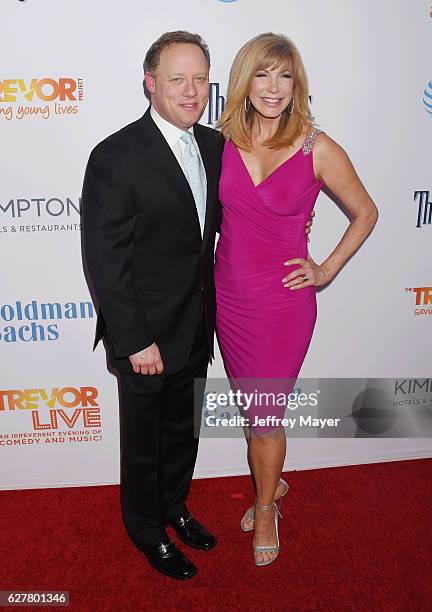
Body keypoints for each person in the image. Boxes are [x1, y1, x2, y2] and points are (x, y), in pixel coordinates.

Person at [215, 33, 378, 567]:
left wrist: (325, 269)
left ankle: (266, 507)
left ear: (297, 85)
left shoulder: (317, 146)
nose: (273, 88)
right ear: (245, 80)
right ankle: (273, 483)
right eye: (262, 75)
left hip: (282, 304)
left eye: (285, 76)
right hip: (229, 297)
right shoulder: (219, 140)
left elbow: (366, 212)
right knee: (252, 406)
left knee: (264, 414)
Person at [81, 31, 223, 581]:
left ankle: (173, 508)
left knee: (182, 433)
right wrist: (135, 339)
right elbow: (104, 257)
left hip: (195, 325)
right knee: (142, 443)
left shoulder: (214, 146)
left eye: (200, 79)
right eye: (177, 79)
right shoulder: (116, 155)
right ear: (150, 83)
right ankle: (146, 530)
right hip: (145, 333)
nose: (191, 91)